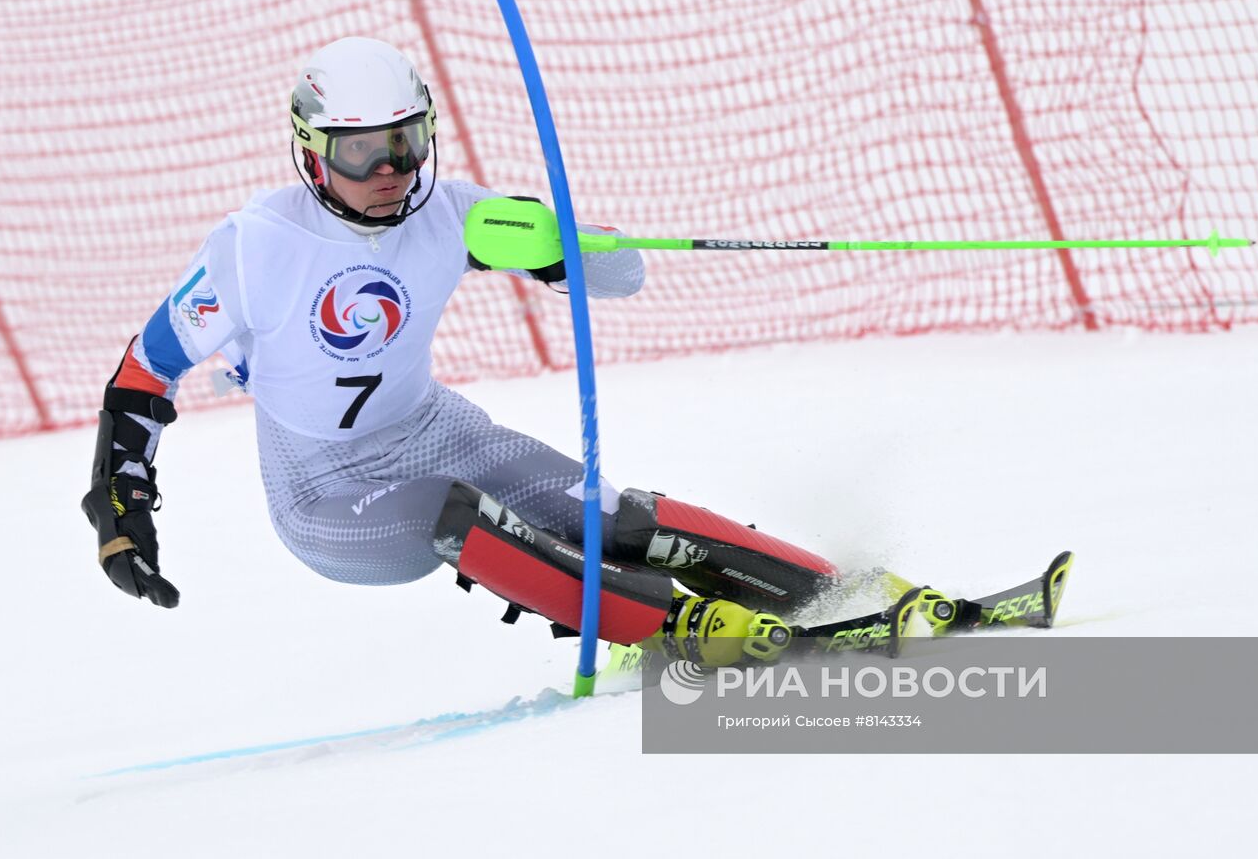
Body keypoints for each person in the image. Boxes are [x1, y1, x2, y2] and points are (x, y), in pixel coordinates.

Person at [79, 37, 853, 667]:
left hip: (440, 430)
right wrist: (120, 504)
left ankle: (832, 592)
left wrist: (560, 247)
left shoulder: (451, 213)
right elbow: (145, 373)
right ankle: (674, 626)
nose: (389, 171)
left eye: (406, 143)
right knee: (454, 512)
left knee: (606, 516)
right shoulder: (254, 247)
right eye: (361, 154)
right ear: (312, 153)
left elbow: (624, 276)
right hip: (322, 489)